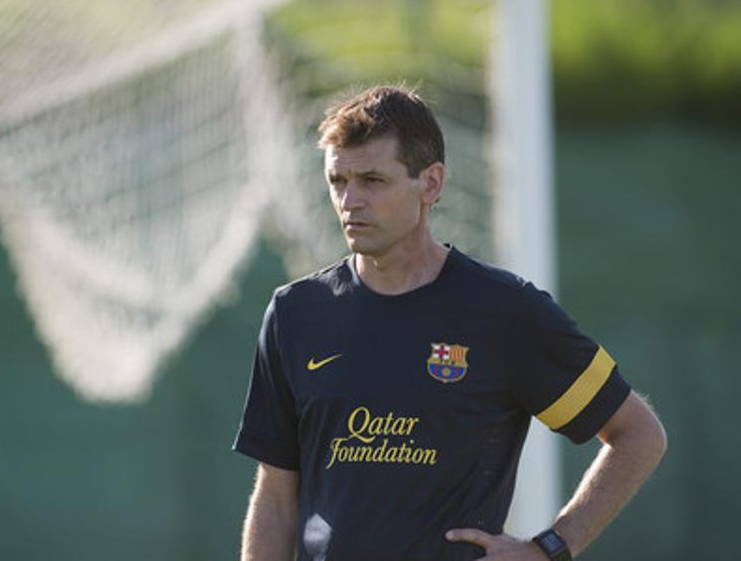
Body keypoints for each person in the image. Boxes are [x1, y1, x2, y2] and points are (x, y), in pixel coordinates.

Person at [232, 86, 666, 561]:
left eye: (373, 180)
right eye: (338, 180)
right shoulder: (296, 313)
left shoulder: (504, 312)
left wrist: (551, 548)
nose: (350, 200)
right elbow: (276, 497)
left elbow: (638, 435)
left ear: (431, 184)